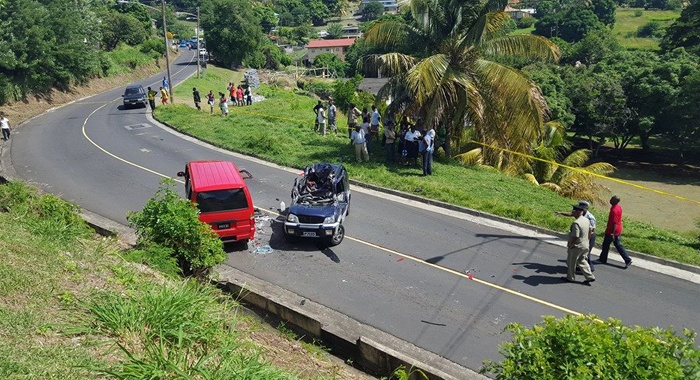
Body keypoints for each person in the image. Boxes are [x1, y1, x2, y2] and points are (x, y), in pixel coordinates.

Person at [556, 200, 596, 271]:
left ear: (585, 209)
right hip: (581, 235)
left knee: (586, 253)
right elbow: (571, 214)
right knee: (580, 253)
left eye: (581, 208)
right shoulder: (579, 213)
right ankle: (579, 268)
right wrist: (560, 213)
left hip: (589, 236)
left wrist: (587, 240)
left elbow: (592, 231)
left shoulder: (590, 217)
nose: (579, 210)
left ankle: (590, 268)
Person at [563, 204, 596, 284]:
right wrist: (587, 241)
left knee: (571, 262)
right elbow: (590, 231)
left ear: (578, 212)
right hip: (585, 245)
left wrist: (571, 244)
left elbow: (575, 236)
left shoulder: (576, 223)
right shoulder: (586, 220)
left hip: (577, 246)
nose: (572, 213)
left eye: (573, 211)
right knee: (582, 261)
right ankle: (590, 276)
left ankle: (570, 278)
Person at [598, 195, 632, 268]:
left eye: (612, 199)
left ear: (615, 201)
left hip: (612, 230)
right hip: (617, 229)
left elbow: (614, 223)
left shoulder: (614, 210)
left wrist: (612, 234)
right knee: (615, 244)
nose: (610, 200)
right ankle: (627, 259)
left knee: (607, 244)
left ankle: (603, 259)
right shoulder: (618, 207)